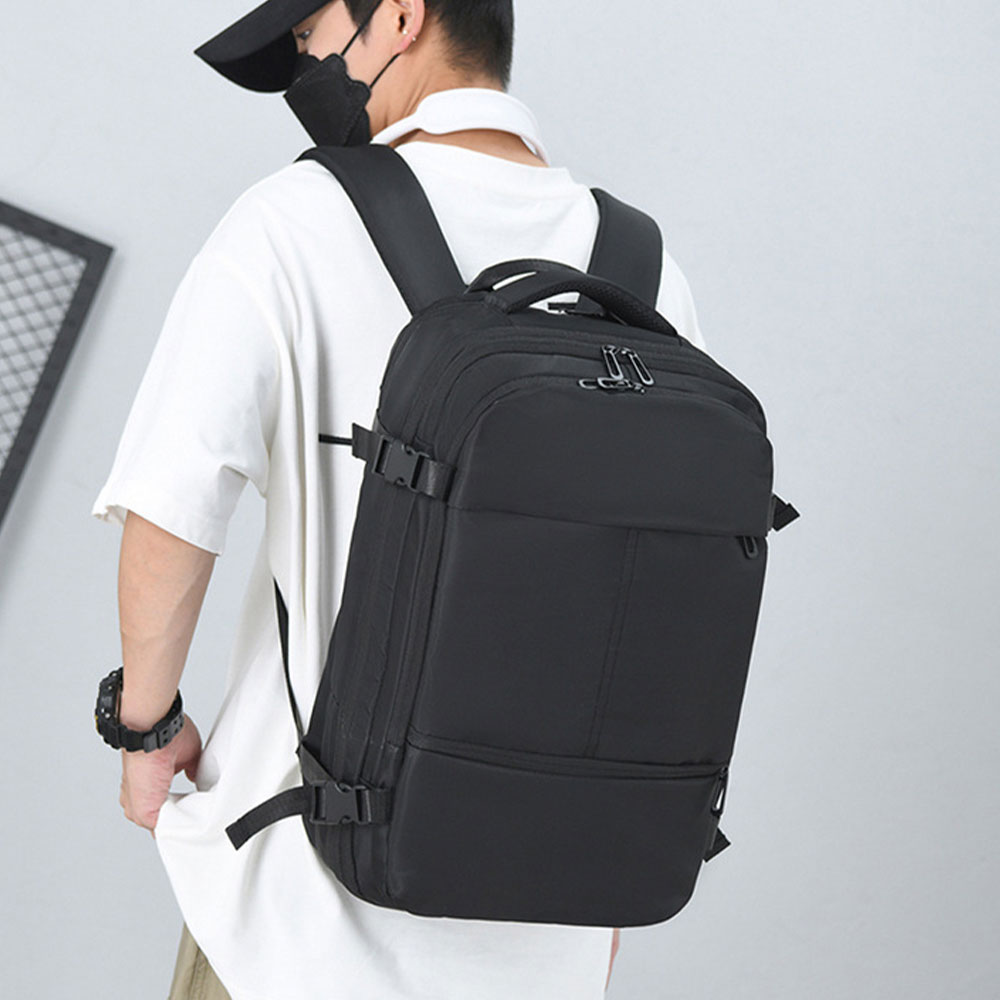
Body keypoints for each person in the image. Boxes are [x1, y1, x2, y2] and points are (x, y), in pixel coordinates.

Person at [91, 1, 708, 998]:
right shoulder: (646, 273)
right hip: (547, 933)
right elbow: (670, 601)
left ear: (402, 15)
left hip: (297, 923)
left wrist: (145, 734)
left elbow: (172, 505)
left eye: (310, 35)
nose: (303, 62)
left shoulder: (296, 221)